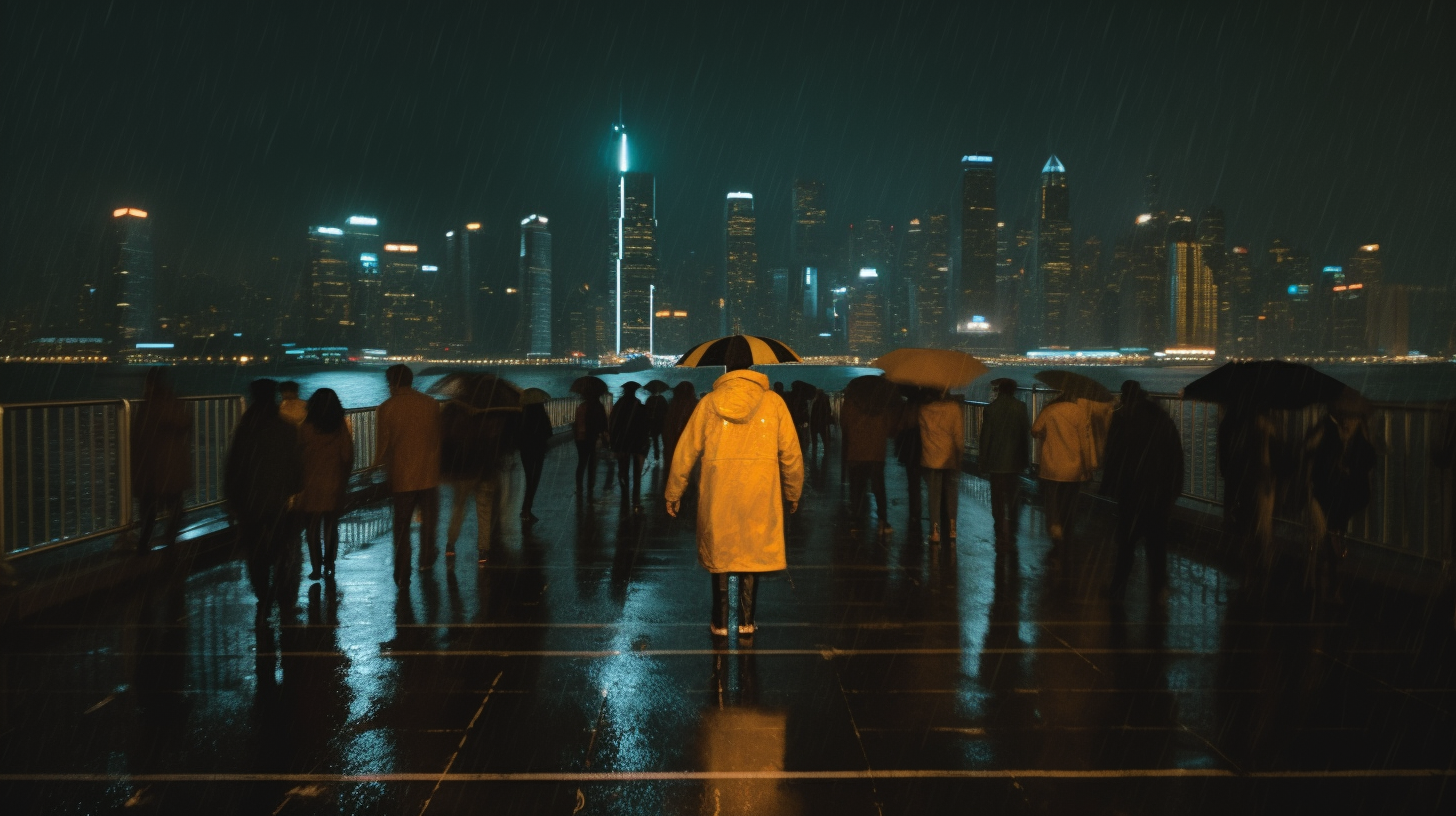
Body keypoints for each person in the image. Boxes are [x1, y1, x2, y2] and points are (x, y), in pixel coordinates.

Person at [665, 337, 804, 638]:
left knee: (721, 554)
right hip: (759, 492)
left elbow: (685, 450)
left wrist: (673, 492)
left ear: (725, 367)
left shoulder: (708, 404)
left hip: (719, 493)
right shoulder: (774, 403)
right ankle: (747, 621)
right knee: (750, 553)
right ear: (752, 365)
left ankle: (718, 622)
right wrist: (793, 493)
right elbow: (791, 455)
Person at [225, 379, 303, 624]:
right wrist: (292, 488)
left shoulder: (245, 428)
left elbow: (233, 468)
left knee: (256, 553)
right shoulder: (287, 428)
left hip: (251, 503)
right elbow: (297, 470)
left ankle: (263, 598)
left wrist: (232, 499)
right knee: (283, 548)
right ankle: (285, 597)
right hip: (279, 501)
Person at [1101, 381, 1184, 602]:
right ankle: (1159, 587)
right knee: (1156, 541)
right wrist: (1174, 488)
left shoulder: (1123, 419)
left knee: (1126, 542)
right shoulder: (1161, 419)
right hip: (1159, 490)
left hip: (1132, 489)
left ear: (1125, 398)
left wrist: (1109, 485)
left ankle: (1118, 587)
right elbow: (1175, 454)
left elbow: (1113, 455)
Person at [371, 364, 442, 584]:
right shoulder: (430, 404)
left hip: (402, 476)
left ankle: (402, 573)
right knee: (428, 522)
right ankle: (427, 559)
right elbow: (437, 438)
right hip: (429, 473)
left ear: (392, 383)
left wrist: (373, 468)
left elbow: (383, 445)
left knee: (401, 527)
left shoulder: (387, 408)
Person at [1304, 390, 1376, 599]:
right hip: (1332, 494)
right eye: (1344, 417)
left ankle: (1334, 574)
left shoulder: (1360, 445)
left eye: (1351, 418)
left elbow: (1365, 464)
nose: (1347, 421)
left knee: (1333, 530)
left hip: (1346, 495)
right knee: (1332, 532)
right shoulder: (1330, 434)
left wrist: (1346, 466)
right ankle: (1334, 574)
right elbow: (1318, 465)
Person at [440, 375, 517, 558]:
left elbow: (450, 440)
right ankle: (483, 548)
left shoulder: (459, 412)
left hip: (465, 470)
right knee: (484, 510)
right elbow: (500, 445)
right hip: (486, 470)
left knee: (458, 507)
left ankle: (450, 544)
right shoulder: (495, 417)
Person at [131, 367, 191, 553]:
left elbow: (139, 434)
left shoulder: (151, 404)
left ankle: (145, 543)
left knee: (149, 507)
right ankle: (169, 539)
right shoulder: (169, 401)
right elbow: (183, 423)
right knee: (173, 504)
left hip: (152, 464)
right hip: (167, 465)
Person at [297, 388, 353, 580]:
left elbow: (298, 456)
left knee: (312, 527)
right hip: (334, 482)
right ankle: (330, 562)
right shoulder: (339, 428)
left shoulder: (305, 427)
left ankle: (316, 567)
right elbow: (347, 455)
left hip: (311, 483)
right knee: (331, 525)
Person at [1031, 394, 1096, 553]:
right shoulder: (1079, 412)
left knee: (1053, 500)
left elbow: (1035, 430)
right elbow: (1085, 444)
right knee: (1069, 502)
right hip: (1072, 468)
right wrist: (1088, 466)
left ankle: (1055, 528)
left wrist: (1044, 434)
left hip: (1051, 466)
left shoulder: (1049, 410)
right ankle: (1067, 533)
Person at [1219, 404, 1278, 576]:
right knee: (1255, 526)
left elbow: (1225, 455)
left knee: (1242, 525)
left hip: (1238, 479)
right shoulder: (1261, 422)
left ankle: (1246, 570)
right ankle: (1258, 569)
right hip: (1256, 480)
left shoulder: (1230, 420)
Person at [979, 378, 1030, 544]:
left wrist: (983, 460)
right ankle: (1013, 524)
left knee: (997, 496)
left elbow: (985, 437)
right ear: (1013, 391)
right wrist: (1025, 459)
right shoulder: (1021, 407)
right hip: (1014, 460)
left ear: (999, 390)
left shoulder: (991, 409)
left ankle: (999, 524)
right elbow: (1024, 435)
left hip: (996, 460)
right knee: (1013, 495)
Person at [840, 386, 896, 535]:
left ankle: (855, 521)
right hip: (876, 453)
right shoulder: (880, 408)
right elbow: (889, 429)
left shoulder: (850, 405)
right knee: (878, 488)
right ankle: (882, 522)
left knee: (856, 488)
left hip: (856, 452)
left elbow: (843, 425)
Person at [920, 390, 964, 543]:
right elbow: (958, 435)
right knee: (951, 493)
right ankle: (952, 529)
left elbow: (922, 434)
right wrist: (960, 453)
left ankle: (935, 530)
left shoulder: (924, 409)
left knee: (934, 495)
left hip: (931, 457)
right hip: (949, 457)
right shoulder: (954, 408)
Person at [610, 381, 650, 508]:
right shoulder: (637, 404)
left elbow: (613, 422)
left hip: (622, 441)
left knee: (623, 468)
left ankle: (625, 491)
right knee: (637, 471)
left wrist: (613, 441)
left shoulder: (619, 404)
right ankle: (636, 498)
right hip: (636, 442)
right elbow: (644, 424)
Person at [517, 398, 553, 521]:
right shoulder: (541, 416)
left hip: (525, 451)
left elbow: (518, 434)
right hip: (538, 450)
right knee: (534, 480)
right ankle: (527, 510)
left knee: (529, 479)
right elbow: (549, 432)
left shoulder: (522, 416)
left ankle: (525, 509)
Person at [574, 391, 609, 494]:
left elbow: (576, 422)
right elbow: (603, 424)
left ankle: (579, 486)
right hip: (592, 438)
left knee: (581, 462)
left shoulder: (581, 406)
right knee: (592, 463)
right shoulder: (598, 406)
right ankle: (590, 486)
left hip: (580, 438)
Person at [661, 381, 698, 470]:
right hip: (689, 444)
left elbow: (666, 428)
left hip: (672, 444)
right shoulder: (695, 405)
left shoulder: (672, 405)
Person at [644, 387, 668, 462]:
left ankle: (654, 454)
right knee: (663, 438)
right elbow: (666, 409)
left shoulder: (649, 399)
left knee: (654, 439)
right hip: (661, 421)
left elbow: (646, 410)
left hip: (652, 422)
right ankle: (664, 454)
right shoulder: (662, 399)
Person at [809, 389, 834, 456]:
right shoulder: (823, 401)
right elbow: (828, 411)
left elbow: (814, 413)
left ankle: (815, 453)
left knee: (817, 439)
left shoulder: (816, 401)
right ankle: (825, 452)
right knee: (823, 438)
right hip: (820, 422)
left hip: (817, 422)